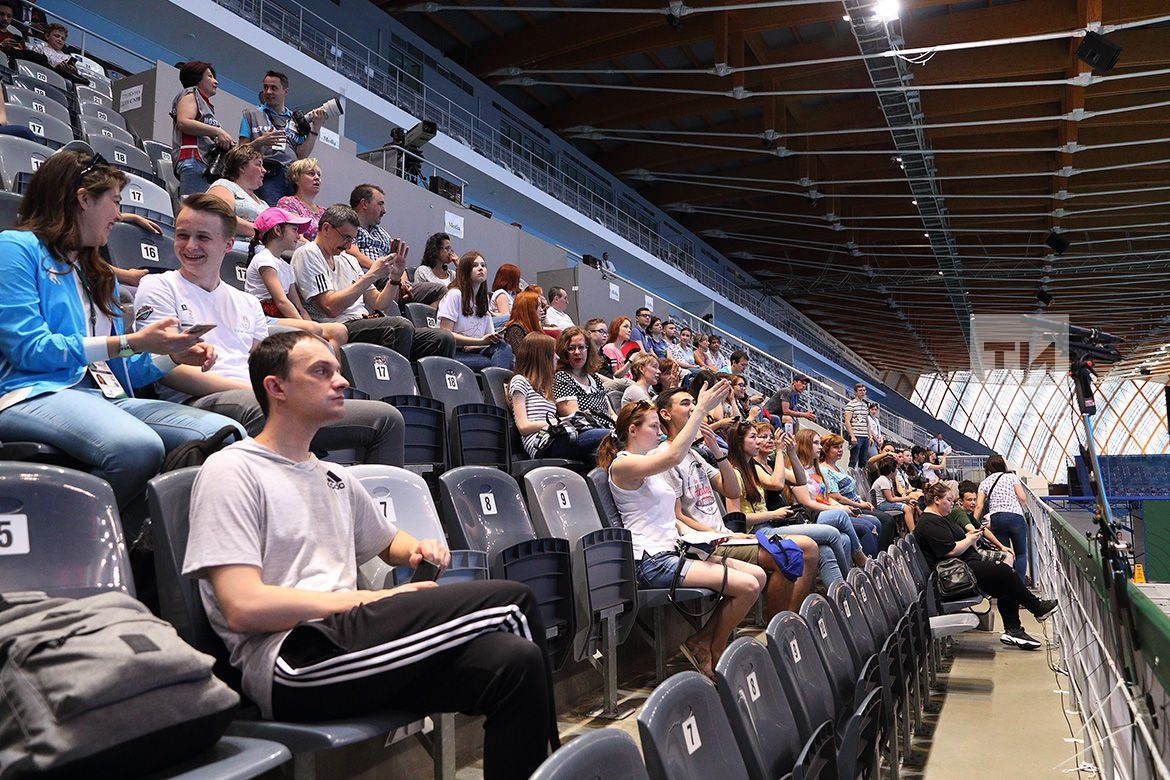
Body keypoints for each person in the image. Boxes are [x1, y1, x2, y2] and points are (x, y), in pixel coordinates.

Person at [183, 330, 558, 777]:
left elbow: (390, 543)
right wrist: (366, 599)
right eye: (322, 372)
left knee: (516, 662)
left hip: (350, 640)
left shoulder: (333, 477)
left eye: (339, 371)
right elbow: (243, 608)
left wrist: (418, 547)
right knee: (515, 600)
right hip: (293, 660)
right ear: (275, 387)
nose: (340, 381)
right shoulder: (231, 470)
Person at [0, 145, 242, 508]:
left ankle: (150, 541)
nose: (119, 214)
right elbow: (29, 349)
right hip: (32, 391)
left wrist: (170, 356)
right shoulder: (16, 248)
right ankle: (78, 539)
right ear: (83, 200)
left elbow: (119, 366)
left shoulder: (97, 271)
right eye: (114, 201)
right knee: (137, 447)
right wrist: (132, 340)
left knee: (227, 435)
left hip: (107, 396)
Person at [136, 193, 404, 464]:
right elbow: (167, 372)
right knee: (272, 410)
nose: (190, 246)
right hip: (199, 397)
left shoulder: (246, 302)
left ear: (228, 244)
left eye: (203, 237)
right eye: (182, 235)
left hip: (259, 395)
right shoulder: (159, 287)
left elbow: (260, 363)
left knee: (386, 419)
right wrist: (256, 390)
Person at [599, 380, 765, 678]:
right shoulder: (622, 465)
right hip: (649, 561)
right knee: (748, 586)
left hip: (674, 550)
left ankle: (702, 641)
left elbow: (674, 511)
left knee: (758, 575)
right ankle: (713, 647)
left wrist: (703, 537)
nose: (660, 432)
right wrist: (701, 409)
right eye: (653, 426)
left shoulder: (651, 462)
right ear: (633, 431)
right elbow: (674, 454)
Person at [656, 388, 819, 619]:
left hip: (720, 534)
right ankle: (778, 626)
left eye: (694, 403)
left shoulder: (695, 454)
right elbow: (678, 517)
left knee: (806, 548)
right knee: (789, 554)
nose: (693, 407)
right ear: (666, 414)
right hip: (701, 541)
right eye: (685, 403)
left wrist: (717, 452)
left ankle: (789, 618)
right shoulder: (664, 456)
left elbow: (730, 489)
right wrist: (720, 534)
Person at [292, 204, 454, 362]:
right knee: (399, 327)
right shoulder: (308, 254)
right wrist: (371, 275)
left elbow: (379, 302)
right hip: (338, 325)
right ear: (326, 228)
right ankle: (390, 386)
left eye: (352, 240)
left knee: (442, 338)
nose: (349, 245)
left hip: (363, 323)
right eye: (346, 237)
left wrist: (395, 278)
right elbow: (330, 307)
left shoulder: (348, 260)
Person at [913, 483, 1057, 650]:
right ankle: (1035, 609)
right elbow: (951, 550)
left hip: (962, 567)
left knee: (1006, 581)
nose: (952, 504)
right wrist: (970, 539)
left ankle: (1014, 629)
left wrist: (969, 537)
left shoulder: (938, 519)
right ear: (937, 500)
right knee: (1004, 573)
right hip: (954, 574)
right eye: (949, 500)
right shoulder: (929, 523)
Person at [726, 421, 850, 585]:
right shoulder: (740, 471)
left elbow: (801, 480)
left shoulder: (752, 468)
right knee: (832, 533)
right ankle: (851, 584)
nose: (762, 441)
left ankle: (840, 596)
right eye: (756, 437)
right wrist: (778, 451)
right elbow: (736, 517)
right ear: (739, 442)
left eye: (765, 437)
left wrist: (790, 452)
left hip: (773, 524)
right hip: (761, 530)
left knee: (825, 550)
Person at [509, 332, 607, 461]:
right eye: (553, 353)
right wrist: (559, 421)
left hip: (556, 437)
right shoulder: (520, 381)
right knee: (612, 436)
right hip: (542, 444)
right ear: (541, 356)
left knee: (609, 447)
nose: (557, 357)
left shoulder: (546, 387)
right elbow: (523, 427)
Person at [347, 185, 449, 305]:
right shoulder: (349, 227)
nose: (384, 210)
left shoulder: (382, 233)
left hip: (394, 279)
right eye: (380, 204)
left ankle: (428, 322)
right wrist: (386, 271)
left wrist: (402, 279)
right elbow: (353, 253)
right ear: (364, 204)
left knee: (441, 291)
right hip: (371, 279)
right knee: (390, 283)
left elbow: (398, 261)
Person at [239, 70, 326, 205]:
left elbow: (301, 155)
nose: (268, 92)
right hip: (267, 174)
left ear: (285, 92)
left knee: (292, 220)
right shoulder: (251, 114)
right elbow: (240, 151)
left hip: (293, 176)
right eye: (266, 87)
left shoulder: (296, 119)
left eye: (273, 88)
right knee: (272, 217)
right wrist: (260, 142)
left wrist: (316, 128)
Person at [794, 429, 881, 557]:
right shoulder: (799, 471)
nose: (820, 447)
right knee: (867, 527)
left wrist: (842, 507)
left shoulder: (816, 468)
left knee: (847, 538)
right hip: (812, 515)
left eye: (820, 443)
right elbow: (810, 502)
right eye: (816, 443)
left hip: (827, 510)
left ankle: (854, 572)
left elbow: (826, 497)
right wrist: (841, 508)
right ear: (805, 444)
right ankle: (861, 557)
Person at [819, 433, 897, 551]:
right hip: (847, 506)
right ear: (825, 450)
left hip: (856, 503)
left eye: (841, 447)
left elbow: (852, 492)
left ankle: (882, 553)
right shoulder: (824, 470)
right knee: (885, 520)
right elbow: (836, 497)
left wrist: (861, 501)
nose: (840, 450)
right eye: (836, 447)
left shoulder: (839, 468)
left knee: (886, 520)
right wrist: (860, 504)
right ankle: (876, 554)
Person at [437, 251, 513, 370]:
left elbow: (488, 338)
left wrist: (494, 338)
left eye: (483, 265)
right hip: (453, 353)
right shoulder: (455, 295)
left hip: (473, 350)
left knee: (504, 348)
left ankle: (500, 385)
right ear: (465, 270)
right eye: (475, 265)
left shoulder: (483, 301)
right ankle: (500, 386)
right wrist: (480, 342)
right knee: (494, 362)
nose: (480, 268)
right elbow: (445, 334)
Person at [171, 60, 234, 196]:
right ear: (197, 78)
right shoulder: (190, 94)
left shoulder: (205, 104)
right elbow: (184, 122)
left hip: (203, 164)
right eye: (210, 76)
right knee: (194, 212)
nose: (215, 81)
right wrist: (218, 131)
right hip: (194, 160)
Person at [973, 454, 1032, 583]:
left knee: (1005, 553)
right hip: (1015, 516)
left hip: (997, 519)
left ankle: (1008, 586)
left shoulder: (985, 482)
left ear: (988, 468)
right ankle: (1020, 587)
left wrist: (972, 522)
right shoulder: (1011, 477)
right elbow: (1022, 498)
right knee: (1021, 553)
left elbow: (979, 505)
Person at [553, 326, 616, 420]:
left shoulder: (594, 378)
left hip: (608, 429)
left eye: (581, 347)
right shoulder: (561, 377)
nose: (577, 352)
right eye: (571, 348)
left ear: (589, 350)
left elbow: (611, 414)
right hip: (585, 430)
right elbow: (574, 417)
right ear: (564, 351)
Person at [206, 144, 268, 238]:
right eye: (258, 164)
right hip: (234, 247)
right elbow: (219, 216)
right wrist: (262, 233)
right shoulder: (224, 185)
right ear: (242, 167)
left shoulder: (263, 204)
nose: (264, 170)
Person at [953, 481, 1015, 566]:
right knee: (1008, 556)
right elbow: (974, 531)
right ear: (961, 501)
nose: (973, 503)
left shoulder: (967, 513)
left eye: (975, 499)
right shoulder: (959, 512)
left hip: (968, 550)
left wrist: (1001, 546)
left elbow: (984, 530)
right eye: (969, 500)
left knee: (1005, 554)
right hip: (966, 554)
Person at [275, 158, 325, 239]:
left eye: (319, 175)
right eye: (311, 173)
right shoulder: (288, 203)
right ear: (296, 178)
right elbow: (294, 236)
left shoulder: (324, 212)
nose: (317, 178)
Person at [872, 455, 919, 533]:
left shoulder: (888, 480)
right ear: (891, 471)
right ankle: (913, 533)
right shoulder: (883, 480)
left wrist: (907, 501)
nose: (897, 472)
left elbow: (893, 497)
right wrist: (905, 498)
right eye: (896, 470)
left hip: (885, 502)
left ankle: (905, 532)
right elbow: (890, 499)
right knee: (907, 508)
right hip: (880, 505)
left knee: (910, 506)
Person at [501, 288, 543, 353]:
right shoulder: (515, 329)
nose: (541, 310)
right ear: (529, 308)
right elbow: (521, 357)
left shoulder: (533, 327)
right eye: (538, 306)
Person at [843, 383, 870, 468]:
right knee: (854, 459)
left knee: (864, 460)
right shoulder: (850, 405)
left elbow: (867, 422)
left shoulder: (865, 405)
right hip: (856, 435)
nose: (862, 392)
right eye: (860, 390)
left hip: (865, 436)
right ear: (855, 392)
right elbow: (847, 421)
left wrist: (869, 435)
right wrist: (852, 436)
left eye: (864, 390)